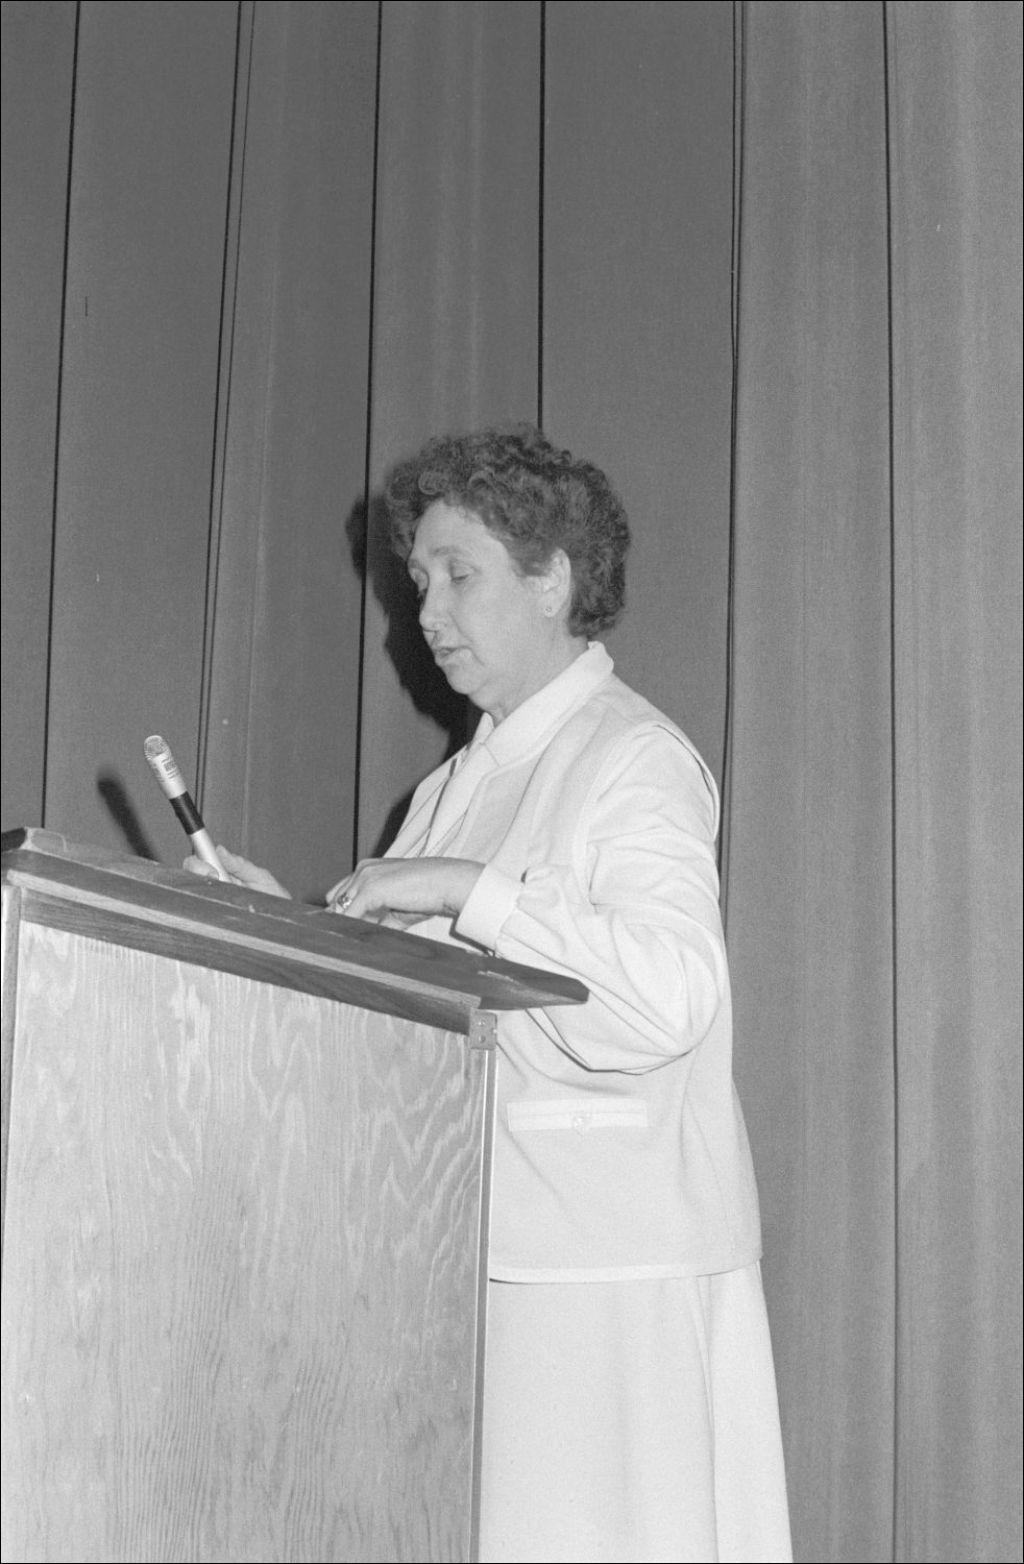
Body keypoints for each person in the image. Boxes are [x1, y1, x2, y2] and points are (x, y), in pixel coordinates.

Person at [191, 426, 792, 1564]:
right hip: (468, 1257)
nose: (424, 612)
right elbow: (406, 1018)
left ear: (551, 578)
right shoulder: (454, 787)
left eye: (457, 575)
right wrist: (280, 927)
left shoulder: (632, 755)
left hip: (608, 1275)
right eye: (419, 582)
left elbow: (672, 997)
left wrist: (471, 889)